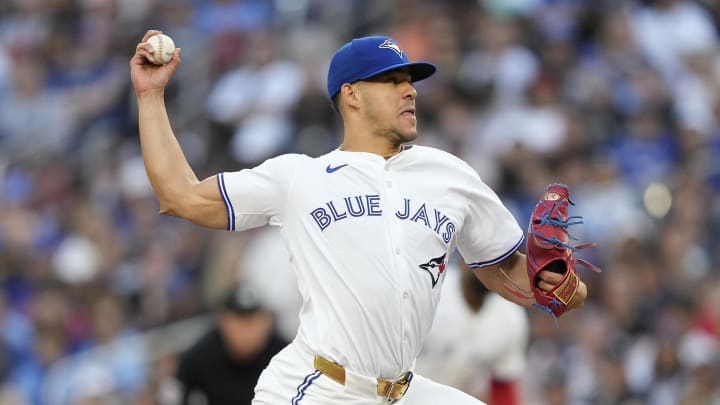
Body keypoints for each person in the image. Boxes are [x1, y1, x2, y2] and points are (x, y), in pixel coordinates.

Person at [130, 31, 588, 404]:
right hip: (320, 387)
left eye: (410, 79)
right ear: (351, 94)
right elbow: (181, 196)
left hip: (404, 390)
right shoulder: (300, 178)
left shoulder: (450, 176)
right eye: (391, 80)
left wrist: (557, 287)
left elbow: (504, 271)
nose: (409, 89)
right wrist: (151, 96)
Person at [412, 261, 529, 404]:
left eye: (496, 259)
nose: (487, 264)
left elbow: (504, 383)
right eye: (481, 255)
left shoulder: (510, 317)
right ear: (463, 258)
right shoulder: (430, 289)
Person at [175, 284, 288, 404]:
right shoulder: (199, 358)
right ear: (222, 321)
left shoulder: (287, 356)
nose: (247, 332)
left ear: (267, 322)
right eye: (239, 322)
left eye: (252, 321)